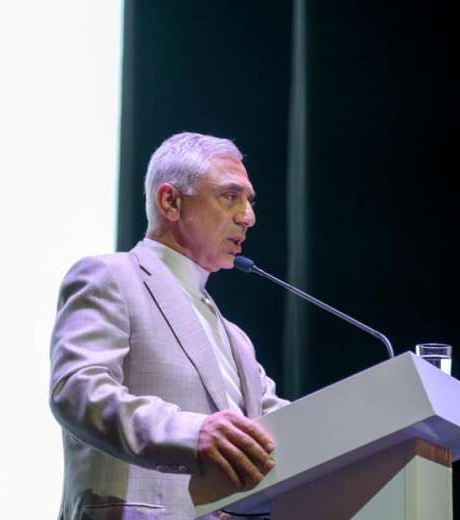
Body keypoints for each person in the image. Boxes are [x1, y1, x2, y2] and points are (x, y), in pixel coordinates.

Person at [49, 132, 289, 520]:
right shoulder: (111, 277)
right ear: (170, 202)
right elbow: (78, 391)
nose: (248, 217)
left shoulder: (236, 339)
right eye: (230, 196)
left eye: (249, 201)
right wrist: (192, 434)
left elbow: (283, 429)